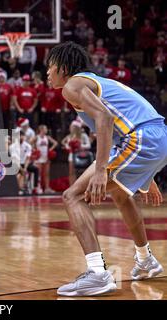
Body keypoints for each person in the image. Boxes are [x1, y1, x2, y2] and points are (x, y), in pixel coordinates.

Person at [46, 41, 166, 296]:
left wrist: (101, 170)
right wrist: (147, 174)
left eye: (50, 66)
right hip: (155, 137)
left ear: (64, 67)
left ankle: (97, 274)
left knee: (73, 196)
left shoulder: (73, 85)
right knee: (121, 194)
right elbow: (124, 123)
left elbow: (105, 118)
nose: (48, 72)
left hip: (141, 139)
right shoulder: (97, 82)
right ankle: (145, 261)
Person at [61, 120, 91, 185]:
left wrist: (80, 145)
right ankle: (72, 186)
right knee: (71, 172)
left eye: (72, 126)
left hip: (81, 155)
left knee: (83, 172)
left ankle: (82, 186)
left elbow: (88, 145)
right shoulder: (70, 136)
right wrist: (68, 147)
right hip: (71, 155)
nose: (70, 128)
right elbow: (67, 145)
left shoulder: (83, 135)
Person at [33, 124, 58, 194]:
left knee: (46, 174)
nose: (46, 130)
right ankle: (38, 188)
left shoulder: (47, 137)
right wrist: (35, 150)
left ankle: (47, 188)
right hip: (39, 158)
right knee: (39, 174)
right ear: (41, 130)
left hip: (46, 157)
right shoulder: (37, 137)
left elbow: (55, 143)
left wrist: (50, 149)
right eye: (45, 129)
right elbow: (30, 143)